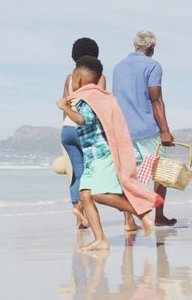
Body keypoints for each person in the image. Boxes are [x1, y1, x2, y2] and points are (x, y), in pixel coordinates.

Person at [56, 56, 163, 251]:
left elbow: (82, 120)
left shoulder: (88, 99)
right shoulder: (100, 96)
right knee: (85, 195)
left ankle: (142, 212)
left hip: (101, 155)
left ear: (77, 78)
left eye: (72, 78)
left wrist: (64, 107)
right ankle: (100, 240)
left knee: (100, 194)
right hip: (91, 156)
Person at [112, 30, 177, 227]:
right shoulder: (152, 66)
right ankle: (158, 216)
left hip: (122, 129)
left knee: (127, 175)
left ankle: (129, 220)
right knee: (162, 172)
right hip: (146, 130)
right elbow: (155, 99)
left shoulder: (118, 67)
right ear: (151, 48)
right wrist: (165, 130)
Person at [61, 37, 106, 229]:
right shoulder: (98, 76)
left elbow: (65, 105)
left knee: (75, 175)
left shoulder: (69, 78)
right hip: (85, 129)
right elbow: (100, 105)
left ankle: (79, 219)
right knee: (89, 174)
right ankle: (85, 212)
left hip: (67, 128)